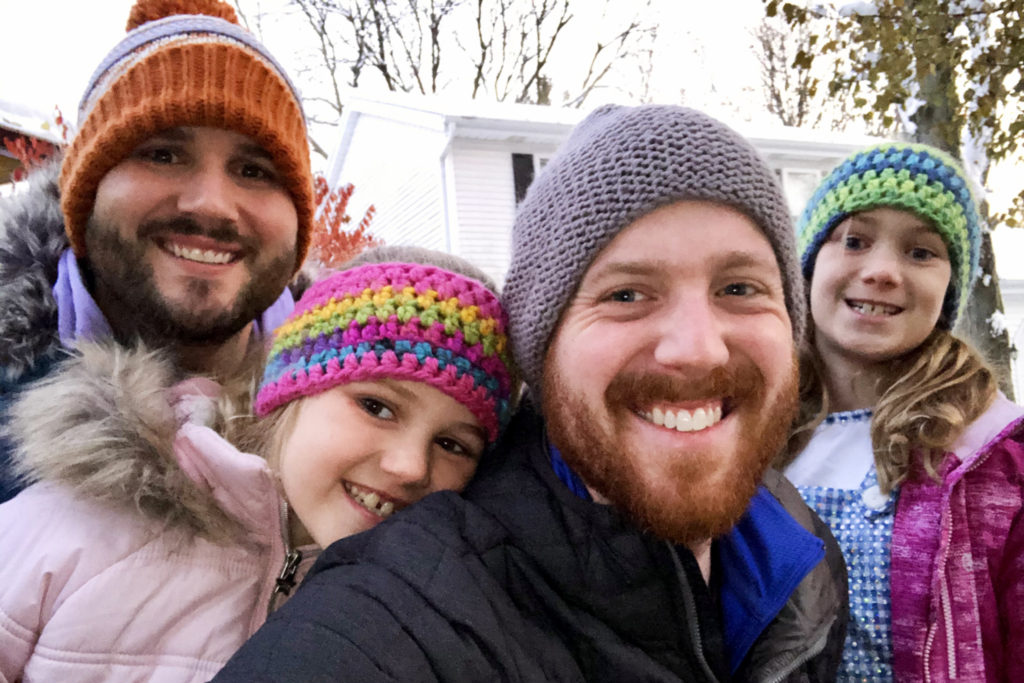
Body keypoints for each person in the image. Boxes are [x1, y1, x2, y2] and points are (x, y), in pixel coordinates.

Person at [214, 104, 848, 682]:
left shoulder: (806, 559)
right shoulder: (402, 611)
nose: (698, 347)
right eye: (626, 293)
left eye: (739, 288)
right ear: (543, 355)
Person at [0, 247, 517, 681]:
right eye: (377, 407)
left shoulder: (436, 619)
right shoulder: (77, 524)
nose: (410, 467)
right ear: (290, 389)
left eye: (454, 445)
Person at [0, 0, 315, 503]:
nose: (211, 205)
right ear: (86, 194)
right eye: (162, 155)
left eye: (255, 171)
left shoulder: (383, 410)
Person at [778, 142, 1024, 681]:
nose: (883, 271)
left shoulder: (994, 459)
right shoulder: (747, 433)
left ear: (949, 288)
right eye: (855, 241)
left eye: (921, 252)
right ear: (809, 264)